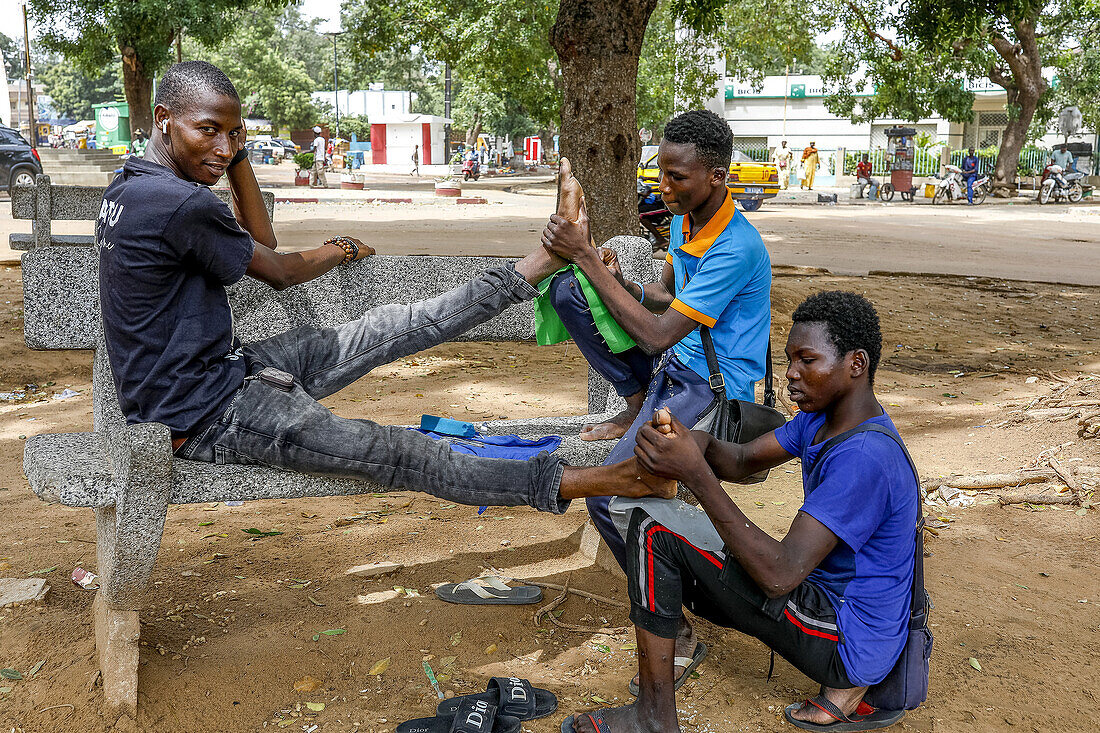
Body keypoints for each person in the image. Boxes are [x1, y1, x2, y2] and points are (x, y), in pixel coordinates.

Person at [95, 61, 678, 530]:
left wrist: (233, 149)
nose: (223, 148)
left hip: (222, 373)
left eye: (234, 133)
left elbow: (257, 244)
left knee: (394, 326)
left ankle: (540, 263)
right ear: (164, 118)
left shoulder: (135, 185)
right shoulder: (179, 203)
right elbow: (272, 265)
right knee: (402, 453)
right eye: (209, 131)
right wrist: (331, 247)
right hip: (206, 414)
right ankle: (608, 479)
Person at [563, 291, 918, 733]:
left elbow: (779, 575)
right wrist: (696, 441)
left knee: (649, 528)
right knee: (660, 524)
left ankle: (654, 716)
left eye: (808, 360)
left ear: (856, 364)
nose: (791, 375)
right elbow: (742, 459)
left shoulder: (864, 458)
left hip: (847, 638)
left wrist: (695, 473)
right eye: (789, 360)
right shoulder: (824, 419)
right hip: (842, 611)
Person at [543, 109, 771, 682]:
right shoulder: (685, 220)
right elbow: (662, 296)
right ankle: (638, 404)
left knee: (609, 495)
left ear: (717, 176)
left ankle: (680, 627)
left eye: (677, 177)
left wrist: (589, 256)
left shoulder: (736, 246)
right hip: (674, 370)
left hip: (709, 389)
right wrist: (614, 277)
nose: (663, 187)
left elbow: (656, 331)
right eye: (660, 174)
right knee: (574, 293)